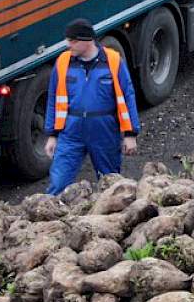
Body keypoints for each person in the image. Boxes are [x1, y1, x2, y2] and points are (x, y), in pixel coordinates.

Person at [44, 18, 140, 195]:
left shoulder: (113, 60)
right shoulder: (63, 62)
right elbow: (53, 99)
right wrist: (52, 135)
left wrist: (130, 134)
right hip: (71, 131)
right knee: (58, 184)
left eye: (72, 41)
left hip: (104, 131)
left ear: (86, 41)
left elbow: (127, 96)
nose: (68, 44)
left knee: (110, 186)